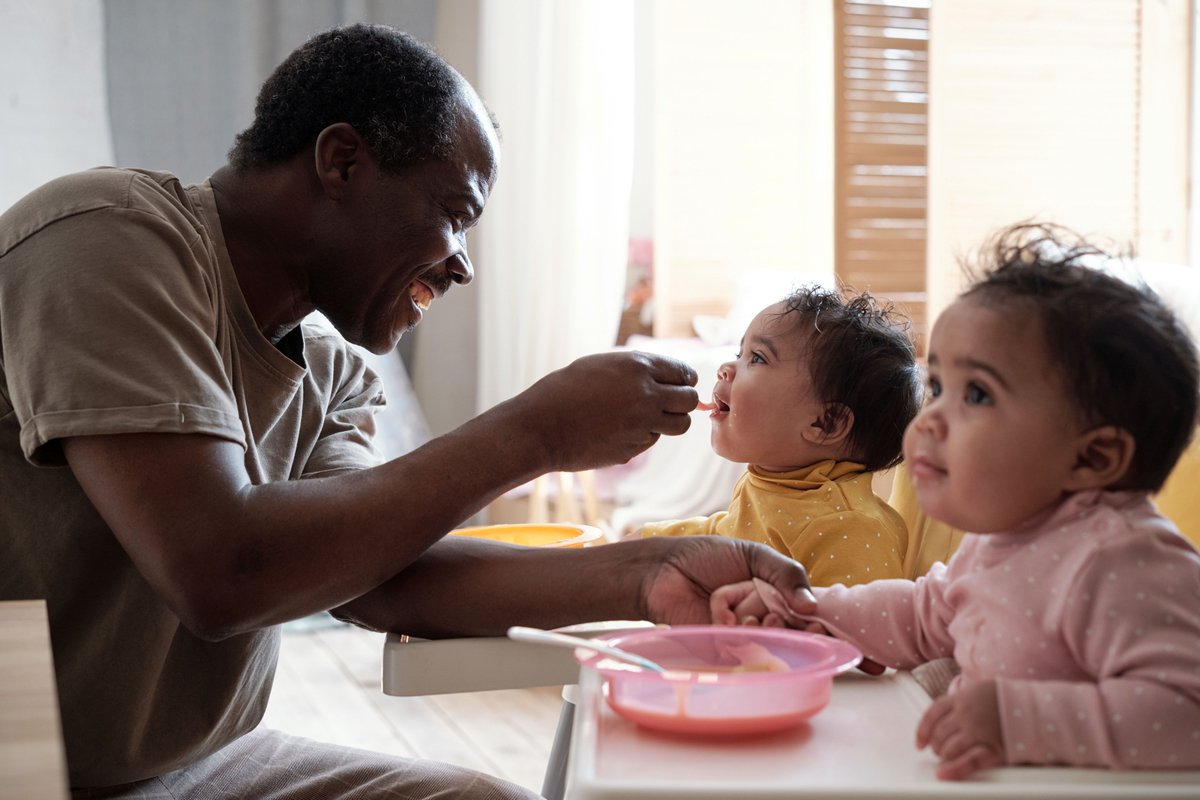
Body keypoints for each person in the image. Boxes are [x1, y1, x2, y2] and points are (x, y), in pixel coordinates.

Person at [0, 24, 818, 800]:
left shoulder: (331, 372)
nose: (462, 265)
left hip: (197, 765)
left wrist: (651, 574)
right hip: (24, 766)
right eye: (455, 214)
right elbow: (222, 570)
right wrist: (534, 432)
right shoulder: (106, 240)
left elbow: (385, 581)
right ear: (343, 162)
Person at [715, 223, 1200, 779]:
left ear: (1093, 457)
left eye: (976, 395)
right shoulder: (1008, 541)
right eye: (938, 388)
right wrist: (810, 611)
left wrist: (1018, 721)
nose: (932, 418)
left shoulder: (1123, 559)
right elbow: (925, 614)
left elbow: (1187, 712)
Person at [636, 286, 923, 587]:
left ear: (825, 423)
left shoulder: (849, 529)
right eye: (739, 352)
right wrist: (647, 541)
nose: (725, 369)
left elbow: (850, 625)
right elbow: (723, 533)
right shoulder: (774, 480)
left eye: (757, 358)